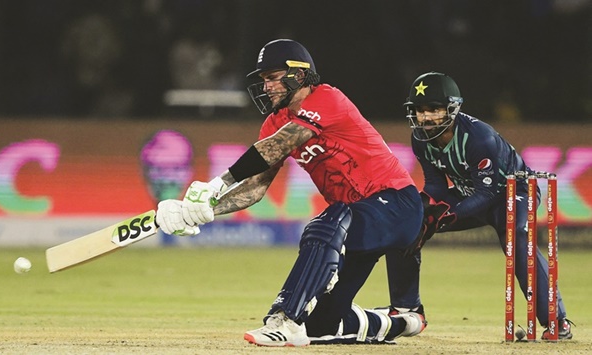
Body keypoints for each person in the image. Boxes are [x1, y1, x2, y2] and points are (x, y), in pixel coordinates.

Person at [155, 39, 427, 346]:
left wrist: (218, 183)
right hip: (359, 221)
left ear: (298, 75)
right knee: (323, 325)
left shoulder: (328, 98)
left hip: (397, 205)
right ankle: (403, 323)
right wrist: (205, 211)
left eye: (272, 77)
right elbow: (256, 187)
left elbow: (278, 145)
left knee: (325, 224)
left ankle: (285, 319)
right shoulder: (274, 121)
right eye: (264, 80)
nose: (267, 86)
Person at [404, 71, 573, 340]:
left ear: (452, 108)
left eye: (434, 109)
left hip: (514, 191)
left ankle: (556, 320)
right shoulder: (420, 139)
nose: (425, 118)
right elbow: (436, 185)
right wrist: (425, 210)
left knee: (516, 238)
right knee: (410, 225)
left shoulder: (478, 137)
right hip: (470, 194)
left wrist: (448, 214)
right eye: (420, 110)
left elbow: (488, 192)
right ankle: (406, 309)